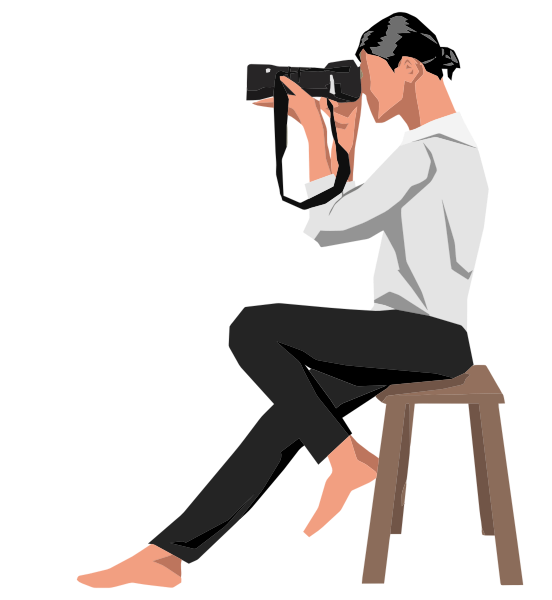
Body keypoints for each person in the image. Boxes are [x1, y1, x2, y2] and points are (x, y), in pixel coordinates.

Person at [76, 14, 486, 588]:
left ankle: (343, 458)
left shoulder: (431, 150)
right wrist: (343, 137)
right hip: (409, 333)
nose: (364, 90)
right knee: (284, 418)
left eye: (371, 75)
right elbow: (345, 218)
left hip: (424, 335)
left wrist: (316, 135)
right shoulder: (432, 147)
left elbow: (330, 230)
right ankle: (168, 557)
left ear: (411, 69)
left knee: (253, 328)